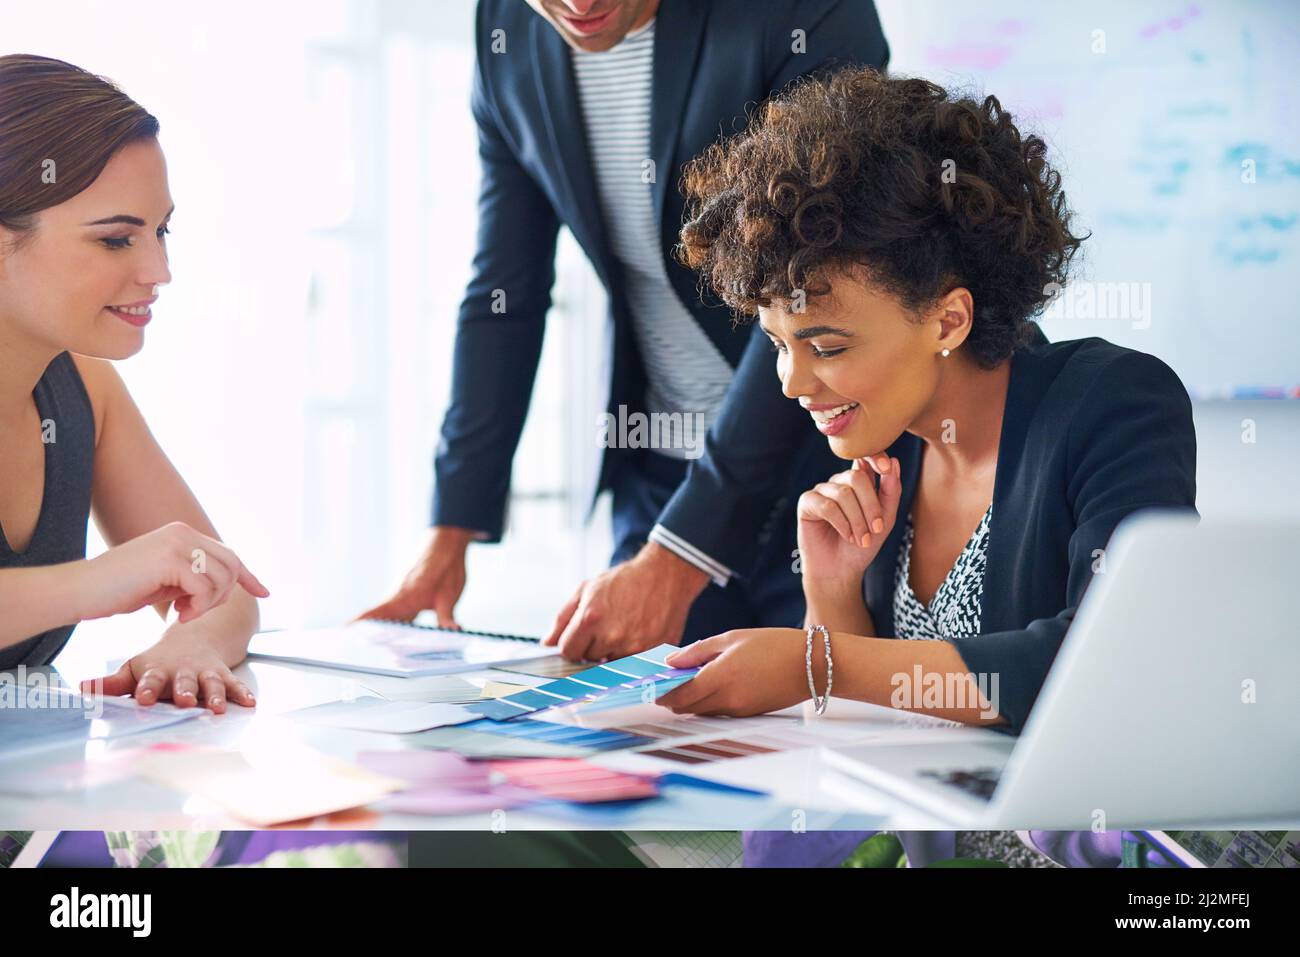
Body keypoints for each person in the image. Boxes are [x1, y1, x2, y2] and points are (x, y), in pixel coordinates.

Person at [655, 65, 1198, 735]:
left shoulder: (1114, 404)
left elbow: (1113, 661)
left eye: (825, 346)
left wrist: (820, 664)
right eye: (776, 343)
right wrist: (831, 590)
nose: (793, 383)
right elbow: (865, 745)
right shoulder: (888, 452)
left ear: (948, 320)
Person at [358, 0, 891, 663]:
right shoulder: (508, 32)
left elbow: (811, 283)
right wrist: (450, 534)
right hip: (660, 472)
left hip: (839, 476)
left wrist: (679, 558)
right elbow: (504, 296)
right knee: (636, 747)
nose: (580, 4)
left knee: (847, 732)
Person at [0, 54, 268, 711]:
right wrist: (96, 582)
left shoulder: (84, 389)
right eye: (117, 240)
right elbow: (131, 573)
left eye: (161, 230)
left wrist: (193, 640)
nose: (160, 269)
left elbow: (224, 587)